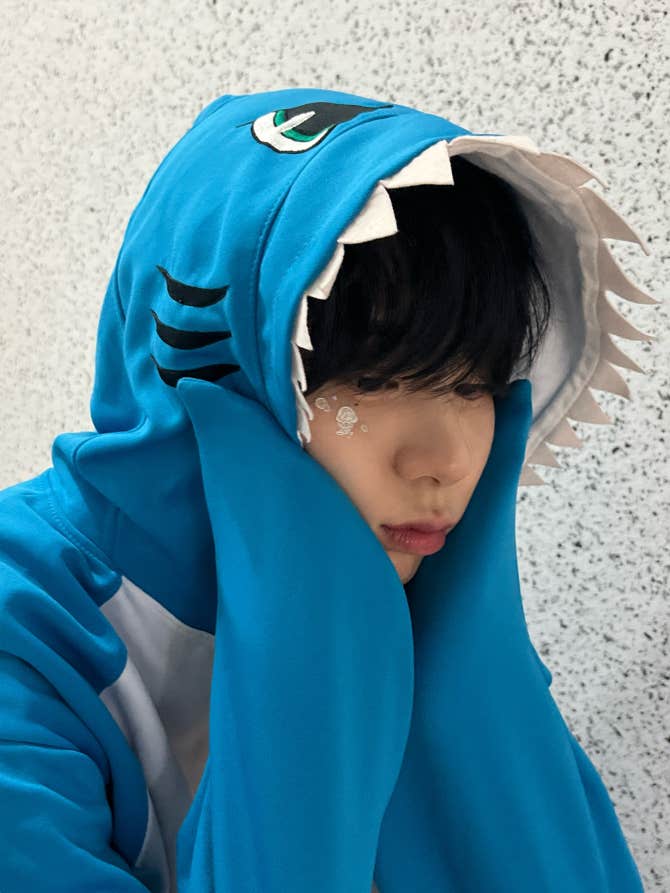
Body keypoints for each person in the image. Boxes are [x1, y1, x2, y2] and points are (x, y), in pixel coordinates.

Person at [0, 87, 657, 893]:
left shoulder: (429, 607)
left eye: (476, 383)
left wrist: (477, 694)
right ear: (212, 357)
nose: (447, 460)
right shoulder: (28, 627)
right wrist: (306, 669)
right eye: (375, 380)